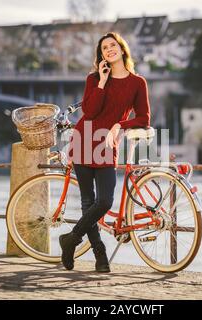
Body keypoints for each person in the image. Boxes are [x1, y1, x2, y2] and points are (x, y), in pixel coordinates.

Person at [60, 32, 151, 272]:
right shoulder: (93, 78)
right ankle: (100, 254)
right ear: (101, 56)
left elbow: (144, 118)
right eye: (104, 48)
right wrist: (101, 82)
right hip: (83, 139)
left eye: (113, 45)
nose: (109, 50)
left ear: (122, 49)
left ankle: (70, 239)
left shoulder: (137, 82)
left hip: (107, 145)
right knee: (87, 201)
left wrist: (120, 124)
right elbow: (89, 112)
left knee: (104, 200)